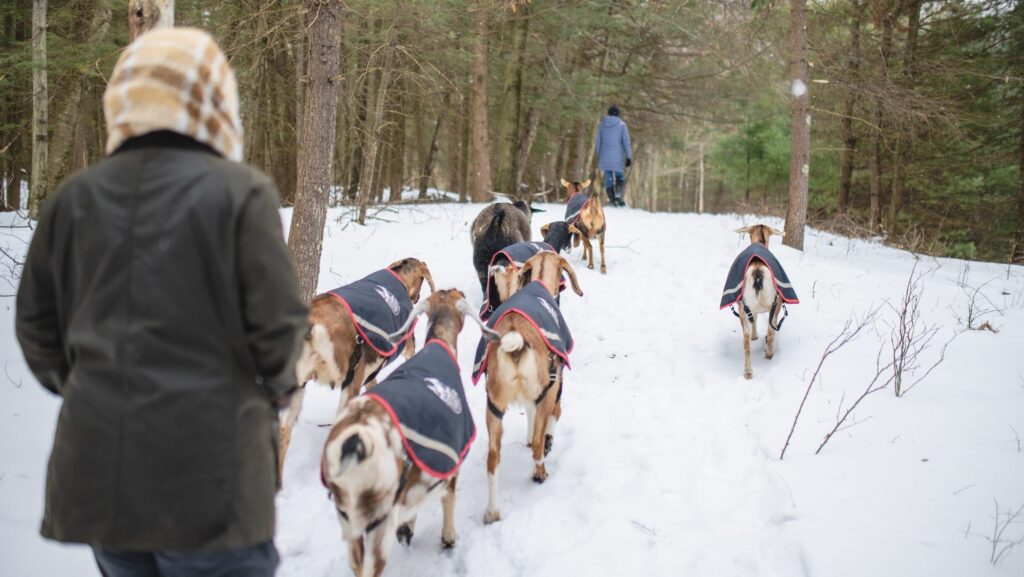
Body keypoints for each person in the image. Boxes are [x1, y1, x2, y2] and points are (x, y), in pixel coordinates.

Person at [15, 28, 309, 577]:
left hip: (103, 477)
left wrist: (90, 387)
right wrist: (274, 394)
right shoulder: (240, 193)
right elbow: (280, 331)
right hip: (211, 479)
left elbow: (36, 328)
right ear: (217, 101)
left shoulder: (73, 199)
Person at [594, 105, 633, 207]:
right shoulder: (622, 125)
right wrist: (628, 156)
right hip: (618, 156)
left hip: (605, 155)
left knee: (608, 178)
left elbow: (598, 141)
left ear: (608, 113)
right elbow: (626, 141)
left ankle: (612, 199)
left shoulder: (602, 125)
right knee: (619, 176)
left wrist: (599, 154)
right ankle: (618, 195)